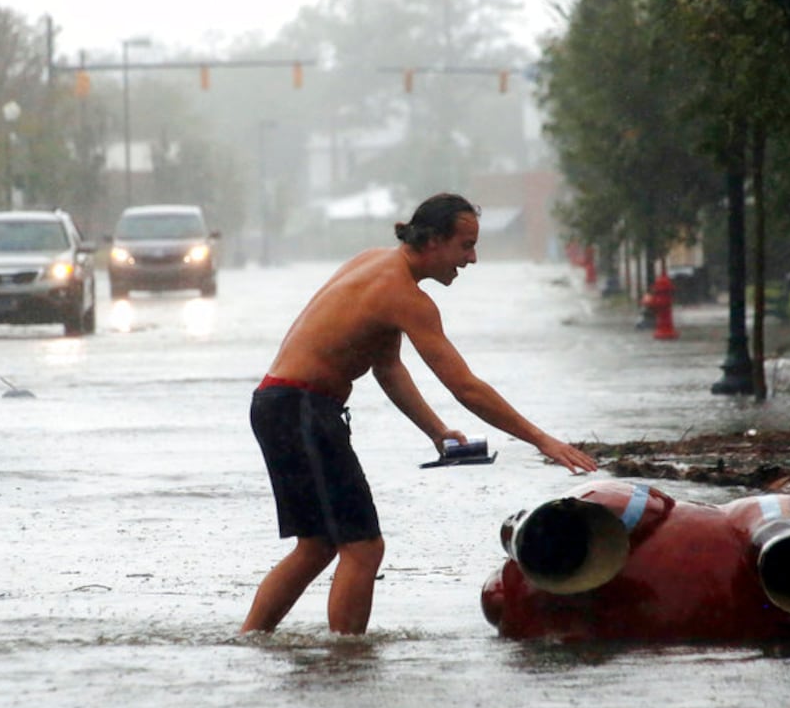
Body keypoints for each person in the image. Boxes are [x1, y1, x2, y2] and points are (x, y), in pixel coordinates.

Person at [242, 192, 598, 636]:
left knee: (317, 546)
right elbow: (466, 387)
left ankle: (249, 641)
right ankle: (347, 663)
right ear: (432, 241)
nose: (471, 259)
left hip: (277, 404)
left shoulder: (374, 262)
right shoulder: (405, 296)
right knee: (363, 547)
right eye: (465, 246)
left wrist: (436, 431)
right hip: (302, 410)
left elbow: (386, 366)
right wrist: (543, 440)